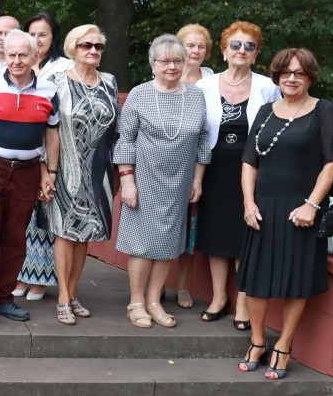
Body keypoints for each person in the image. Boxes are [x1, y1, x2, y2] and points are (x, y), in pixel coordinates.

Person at [237, 48, 333, 379]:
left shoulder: (323, 110)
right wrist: (248, 203)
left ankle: (283, 343)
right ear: (277, 76)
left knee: (296, 282)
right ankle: (257, 341)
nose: (291, 79)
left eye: (299, 73)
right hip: (263, 207)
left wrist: (312, 204)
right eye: (285, 73)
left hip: (302, 208)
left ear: (310, 76)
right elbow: (249, 161)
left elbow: (332, 162)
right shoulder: (266, 111)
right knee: (255, 281)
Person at [0, 29, 59, 332]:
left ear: (34, 56)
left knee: (16, 239)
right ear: (4, 55)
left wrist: (51, 172)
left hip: (28, 171)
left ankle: (4, 298)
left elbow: (52, 133)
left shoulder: (48, 90)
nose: (16, 60)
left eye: (23, 54)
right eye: (11, 54)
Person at [114, 34, 210, 329]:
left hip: (180, 181)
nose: (172, 66)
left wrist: (198, 179)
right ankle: (136, 302)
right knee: (143, 243)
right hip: (144, 178)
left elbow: (203, 139)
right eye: (165, 61)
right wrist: (127, 182)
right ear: (152, 64)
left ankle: (154, 301)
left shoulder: (195, 95)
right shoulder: (140, 95)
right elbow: (124, 140)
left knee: (168, 243)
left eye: (178, 61)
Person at [195, 22, 282, 327]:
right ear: (223, 50)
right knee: (216, 233)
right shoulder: (205, 86)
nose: (242, 50)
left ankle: (243, 302)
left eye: (249, 46)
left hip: (252, 170)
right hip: (213, 167)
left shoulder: (268, 87)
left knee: (246, 235)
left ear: (256, 54)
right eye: (235, 45)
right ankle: (219, 297)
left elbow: (278, 128)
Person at [43, 25, 119, 325]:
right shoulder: (55, 80)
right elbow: (45, 129)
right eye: (87, 45)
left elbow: (116, 130)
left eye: (98, 47)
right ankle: (62, 296)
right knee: (64, 231)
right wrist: (45, 170)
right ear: (73, 48)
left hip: (98, 170)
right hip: (63, 168)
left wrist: (118, 173)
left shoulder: (110, 82)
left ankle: (73, 293)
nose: (93, 51)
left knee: (85, 234)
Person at [15, 12, 71, 300]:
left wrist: (50, 165)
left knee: (44, 218)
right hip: (20, 151)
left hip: (50, 152)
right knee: (21, 218)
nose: (37, 40)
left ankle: (40, 278)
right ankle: (22, 276)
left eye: (43, 35)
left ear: (53, 38)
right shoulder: (16, 63)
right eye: (32, 34)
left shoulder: (63, 68)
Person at [173, 23, 215, 309]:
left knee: (190, 226)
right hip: (163, 161)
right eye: (190, 45)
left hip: (197, 162)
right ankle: (154, 285)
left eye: (201, 46)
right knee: (162, 224)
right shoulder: (165, 72)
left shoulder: (212, 80)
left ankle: (182, 286)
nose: (196, 50)